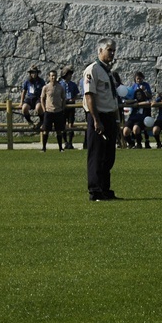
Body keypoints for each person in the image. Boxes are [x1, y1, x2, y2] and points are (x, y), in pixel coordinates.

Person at [83, 38, 120, 201]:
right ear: (100, 51)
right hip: (98, 116)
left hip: (110, 116)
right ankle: (95, 190)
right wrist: (96, 120)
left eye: (113, 50)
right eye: (109, 50)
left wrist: (116, 120)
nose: (112, 53)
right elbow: (89, 95)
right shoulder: (92, 70)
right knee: (97, 155)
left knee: (108, 156)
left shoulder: (108, 72)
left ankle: (105, 189)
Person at [40, 69, 67, 152]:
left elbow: (64, 98)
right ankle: (44, 148)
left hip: (58, 111)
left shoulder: (60, 87)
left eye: (55, 75)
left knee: (59, 130)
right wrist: (44, 109)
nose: (53, 77)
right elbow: (42, 98)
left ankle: (60, 148)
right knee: (46, 130)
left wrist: (62, 108)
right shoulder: (46, 87)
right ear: (49, 77)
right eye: (52, 76)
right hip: (48, 111)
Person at [59, 66, 80, 150]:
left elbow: (76, 95)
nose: (70, 76)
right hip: (63, 105)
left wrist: (73, 99)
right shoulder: (60, 84)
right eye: (69, 74)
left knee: (71, 124)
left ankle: (70, 142)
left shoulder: (73, 84)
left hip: (71, 105)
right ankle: (65, 142)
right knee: (63, 124)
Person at [20, 64, 45, 129]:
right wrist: (21, 102)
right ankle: (30, 121)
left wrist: (44, 100)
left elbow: (44, 91)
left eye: (35, 72)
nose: (34, 74)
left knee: (39, 108)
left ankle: (41, 120)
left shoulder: (41, 81)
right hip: (29, 98)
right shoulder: (27, 81)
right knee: (24, 108)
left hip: (38, 98)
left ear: (37, 73)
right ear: (30, 73)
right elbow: (24, 91)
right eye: (32, 72)